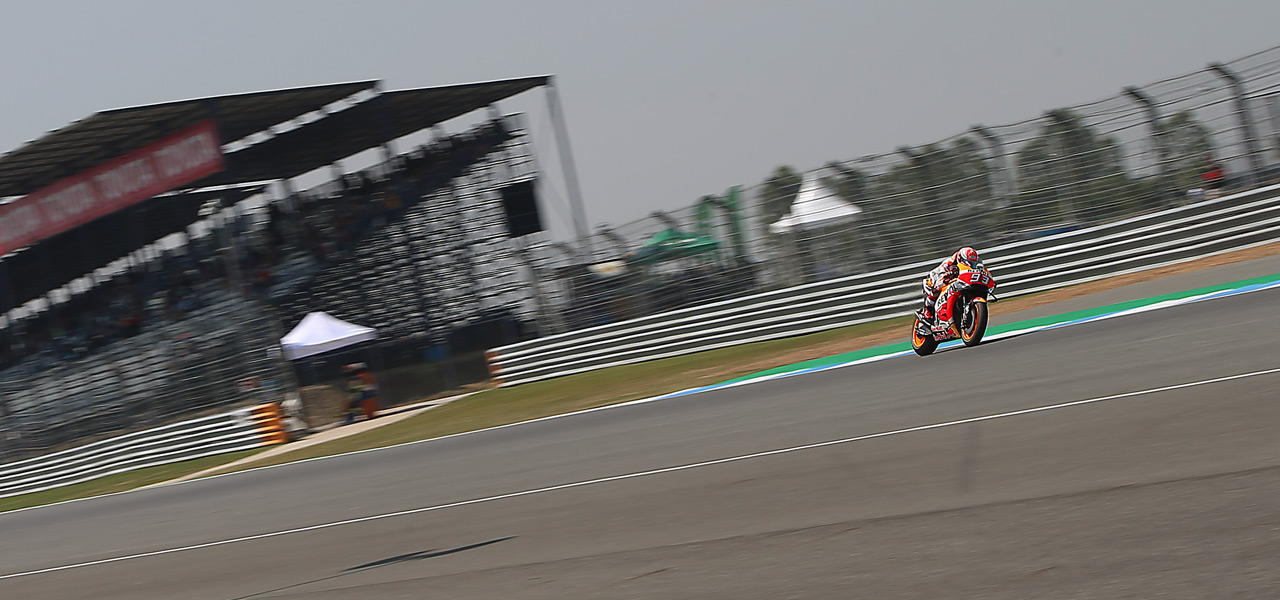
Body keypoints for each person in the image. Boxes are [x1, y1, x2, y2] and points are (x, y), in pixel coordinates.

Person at [918, 247, 985, 331]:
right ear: (961, 258)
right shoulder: (949, 262)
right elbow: (941, 275)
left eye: (972, 263)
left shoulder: (976, 263)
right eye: (968, 262)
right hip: (936, 277)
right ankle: (927, 311)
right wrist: (946, 276)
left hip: (958, 281)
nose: (971, 264)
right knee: (936, 288)